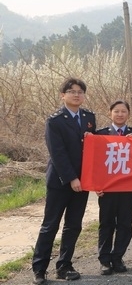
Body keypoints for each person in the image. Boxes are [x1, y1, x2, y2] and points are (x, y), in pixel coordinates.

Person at [32, 77, 96, 285]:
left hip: (83, 182)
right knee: (50, 225)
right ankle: (39, 269)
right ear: (63, 95)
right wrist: (71, 178)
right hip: (60, 181)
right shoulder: (55, 120)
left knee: (73, 225)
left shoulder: (89, 117)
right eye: (72, 91)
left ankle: (64, 266)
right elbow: (57, 153)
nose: (76, 95)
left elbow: (94, 149)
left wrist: (90, 179)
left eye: (80, 92)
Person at [95, 100, 132, 276]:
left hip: (129, 189)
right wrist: (96, 185)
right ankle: (104, 260)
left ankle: (117, 257)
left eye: (123, 111)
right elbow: (94, 162)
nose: (120, 114)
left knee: (125, 224)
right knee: (106, 223)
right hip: (107, 189)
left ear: (128, 114)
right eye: (116, 111)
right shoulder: (100, 135)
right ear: (110, 113)